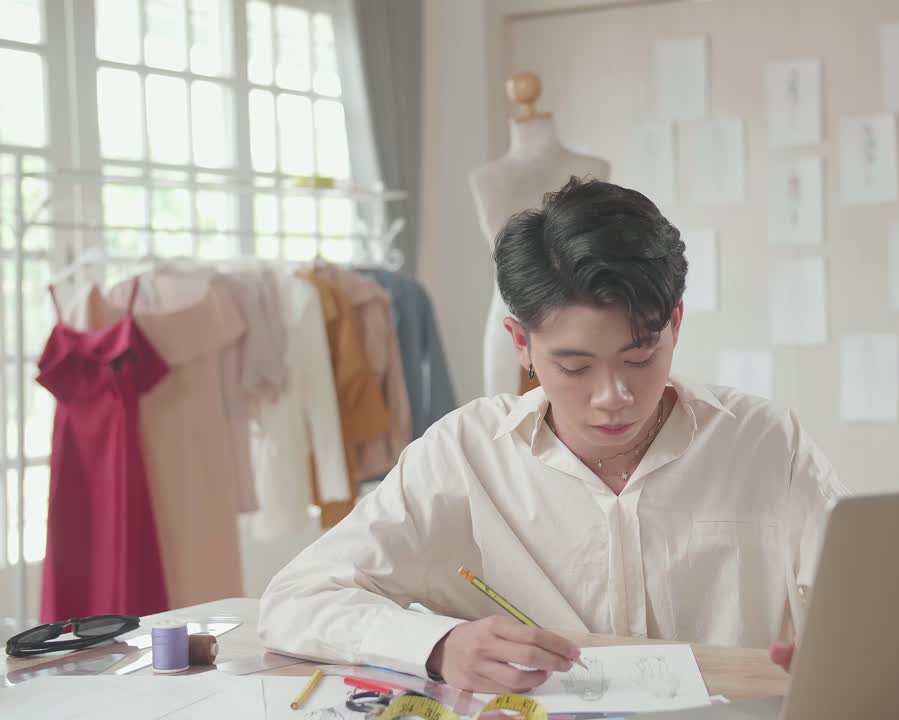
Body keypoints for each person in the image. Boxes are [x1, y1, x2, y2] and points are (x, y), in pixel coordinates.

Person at [259, 177, 845, 693]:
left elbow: (865, 615)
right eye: (575, 366)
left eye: (639, 358)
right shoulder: (463, 455)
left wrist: (844, 654)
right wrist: (439, 646)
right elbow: (296, 601)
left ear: (676, 324)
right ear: (522, 345)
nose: (612, 396)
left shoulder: (767, 443)